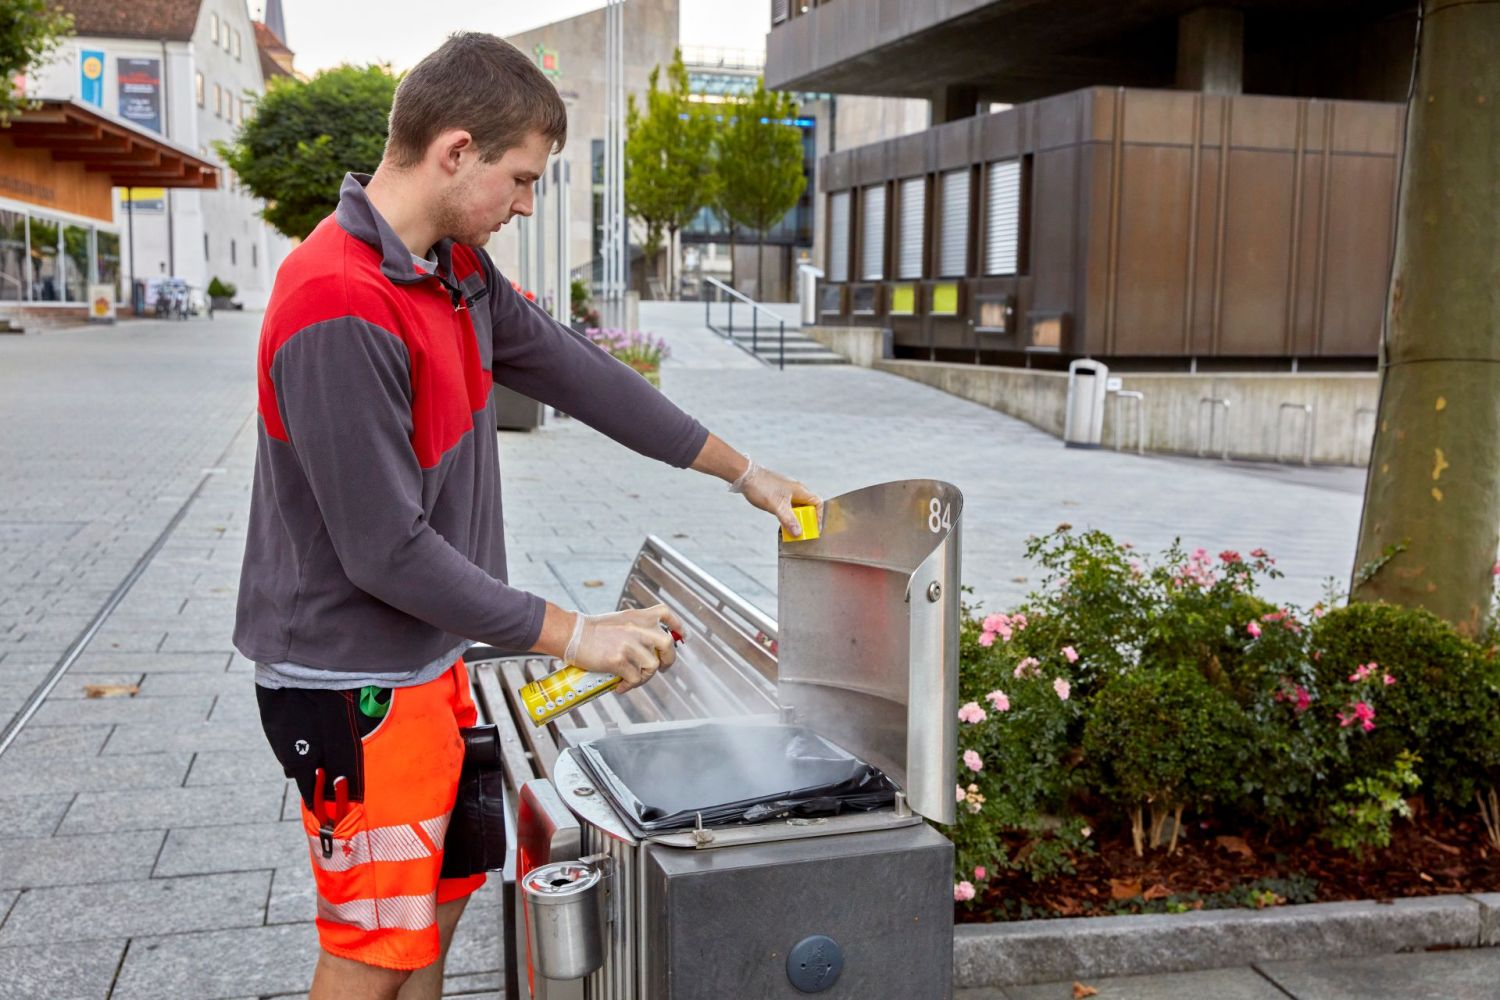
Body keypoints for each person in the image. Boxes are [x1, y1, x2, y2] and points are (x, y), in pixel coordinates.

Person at [232, 31, 819, 1000]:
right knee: (371, 947)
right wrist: (576, 635)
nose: (526, 204)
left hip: (431, 662)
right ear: (455, 150)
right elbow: (385, 552)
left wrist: (742, 472)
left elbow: (580, 373)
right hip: (355, 686)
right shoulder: (337, 299)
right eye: (521, 179)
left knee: (433, 917)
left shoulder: (452, 268)